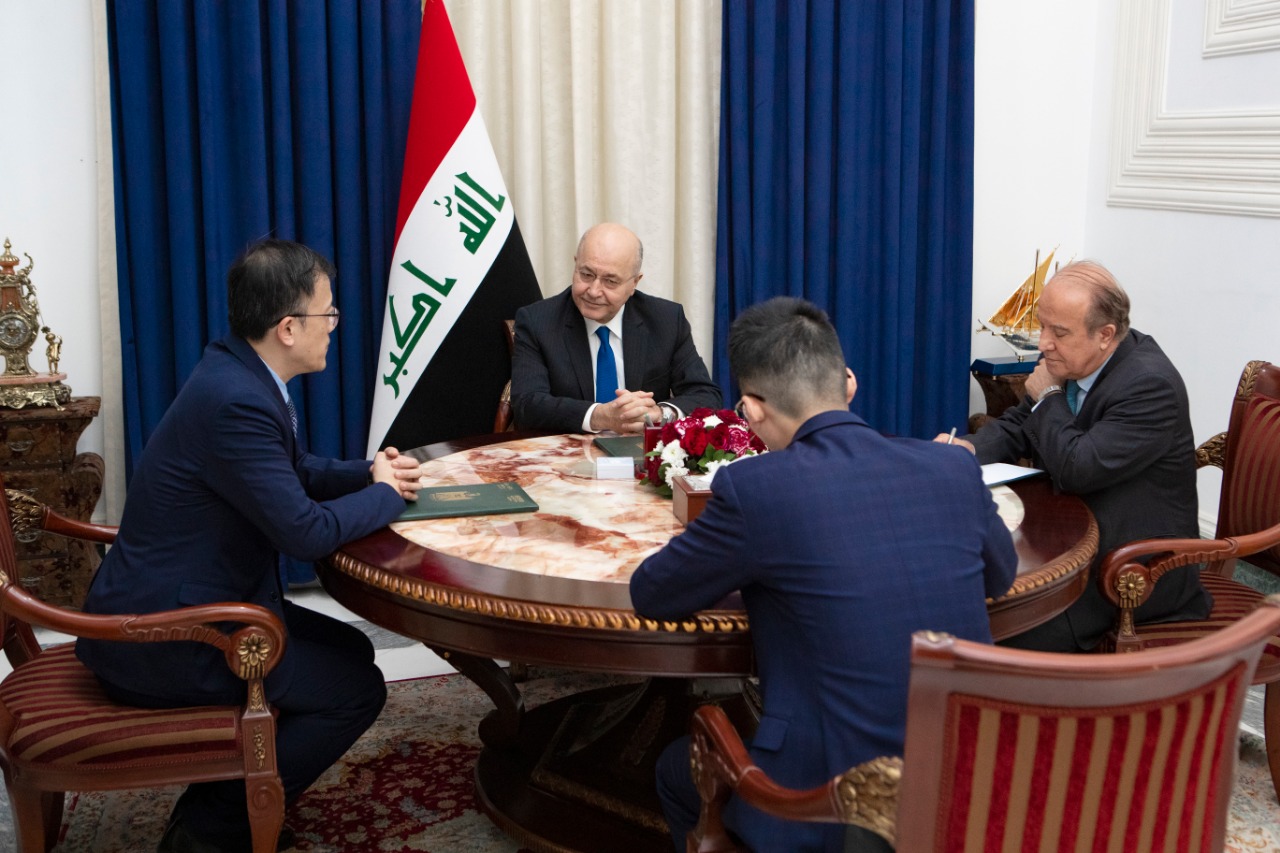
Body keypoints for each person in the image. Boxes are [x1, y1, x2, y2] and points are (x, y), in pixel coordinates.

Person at [630, 297, 1017, 853]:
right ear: (849, 382)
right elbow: (999, 578)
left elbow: (652, 592)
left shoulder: (758, 488)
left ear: (750, 410)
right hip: (969, 784)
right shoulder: (953, 465)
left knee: (676, 768)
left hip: (830, 806)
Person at [76, 240, 424, 853]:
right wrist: (386, 495)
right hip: (169, 636)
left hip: (200, 598)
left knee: (350, 649)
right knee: (355, 693)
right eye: (329, 313)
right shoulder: (236, 400)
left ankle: (232, 787)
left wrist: (370, 472)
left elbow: (294, 470)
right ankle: (210, 828)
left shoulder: (237, 371)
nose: (335, 325)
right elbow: (305, 532)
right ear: (288, 328)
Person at [939, 259, 1212, 651]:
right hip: (1070, 538)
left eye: (1059, 332)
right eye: (1043, 326)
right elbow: (1022, 422)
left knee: (991, 629)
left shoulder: (1150, 385)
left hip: (1130, 571)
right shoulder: (1077, 357)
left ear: (1105, 334)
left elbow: (1078, 468)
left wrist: (1049, 394)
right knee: (963, 597)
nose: (1043, 343)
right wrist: (966, 451)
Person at [510, 222, 722, 434]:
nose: (594, 291)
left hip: (640, 450)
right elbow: (527, 405)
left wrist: (660, 414)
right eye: (586, 274)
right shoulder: (537, 321)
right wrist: (599, 416)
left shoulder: (666, 320)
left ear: (634, 283)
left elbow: (705, 395)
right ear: (575, 265)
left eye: (610, 281)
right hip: (567, 450)